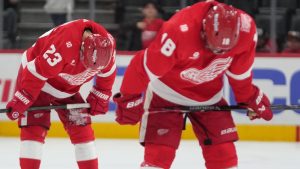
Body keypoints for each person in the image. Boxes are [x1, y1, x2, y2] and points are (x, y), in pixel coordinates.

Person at [113, 1, 273, 169]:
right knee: (158, 157)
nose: (218, 54)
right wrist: (128, 98)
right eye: (213, 47)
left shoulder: (247, 30)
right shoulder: (178, 30)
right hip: (166, 93)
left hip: (209, 96)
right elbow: (142, 67)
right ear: (204, 29)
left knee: (224, 157)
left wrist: (248, 97)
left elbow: (239, 73)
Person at [5, 19, 116, 169]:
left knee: (82, 132)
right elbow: (35, 71)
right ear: (82, 48)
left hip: (67, 88)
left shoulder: (106, 47)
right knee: (34, 129)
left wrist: (101, 95)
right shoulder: (64, 44)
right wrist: (23, 97)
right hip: (38, 81)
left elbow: (108, 73)